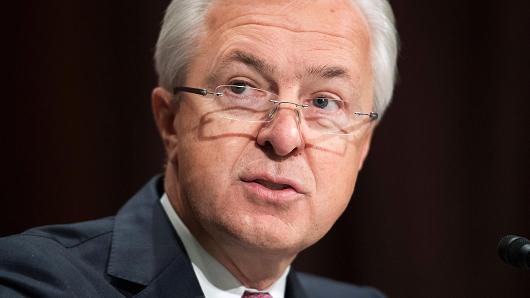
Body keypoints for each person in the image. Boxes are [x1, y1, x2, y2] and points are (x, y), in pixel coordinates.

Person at [0, 0, 398, 297]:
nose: (284, 137)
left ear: (362, 145)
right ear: (170, 121)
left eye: (324, 103)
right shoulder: (38, 281)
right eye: (241, 88)